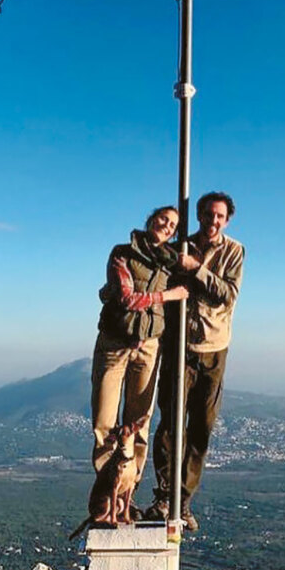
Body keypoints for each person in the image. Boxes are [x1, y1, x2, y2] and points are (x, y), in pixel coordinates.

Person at [147, 191, 244, 530]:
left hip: (214, 348)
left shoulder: (234, 252)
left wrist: (196, 269)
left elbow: (227, 295)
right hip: (179, 346)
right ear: (199, 216)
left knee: (201, 428)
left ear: (226, 220)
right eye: (207, 214)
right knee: (171, 423)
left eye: (219, 216)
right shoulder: (180, 247)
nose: (213, 221)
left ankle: (183, 499)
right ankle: (164, 496)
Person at [90, 207, 189, 503]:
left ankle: (126, 494)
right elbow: (126, 297)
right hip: (115, 343)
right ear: (150, 219)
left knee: (139, 422)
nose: (167, 226)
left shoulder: (171, 260)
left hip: (149, 344)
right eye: (163, 219)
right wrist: (168, 296)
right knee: (105, 422)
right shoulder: (122, 253)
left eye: (173, 225)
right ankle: (108, 490)